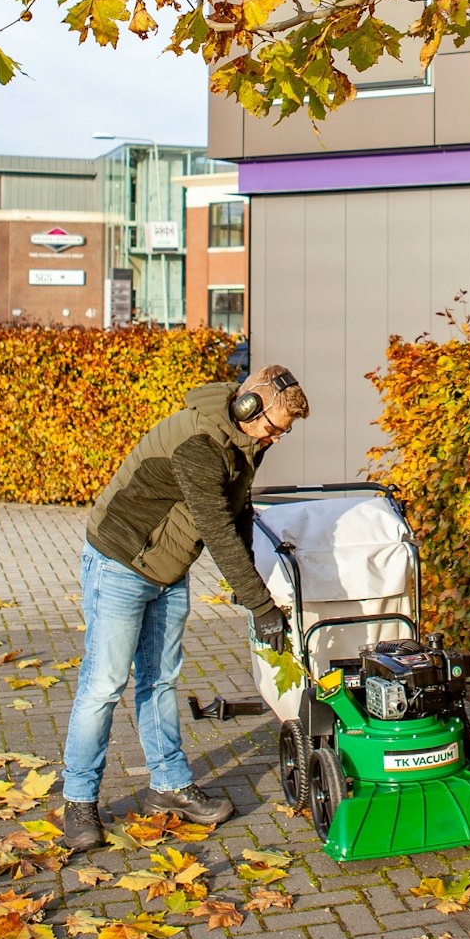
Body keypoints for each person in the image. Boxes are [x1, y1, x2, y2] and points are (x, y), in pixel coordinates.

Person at [60, 364, 310, 850]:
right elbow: (215, 527)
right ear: (248, 405)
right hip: (121, 562)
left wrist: (247, 589)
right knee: (105, 685)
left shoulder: (245, 441)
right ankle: (79, 801)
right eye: (274, 428)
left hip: (167, 569)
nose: (276, 439)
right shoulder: (199, 444)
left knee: (161, 678)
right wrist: (260, 605)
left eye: (283, 433)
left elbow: (237, 510)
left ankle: (169, 787)